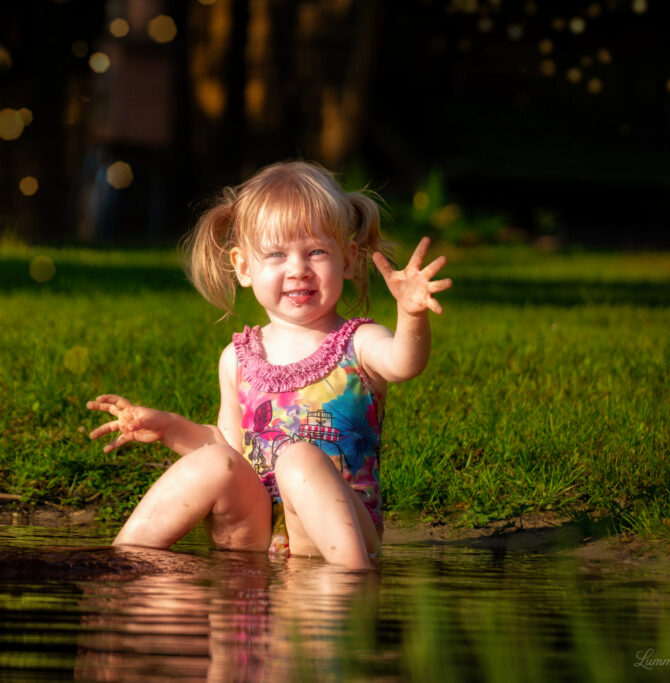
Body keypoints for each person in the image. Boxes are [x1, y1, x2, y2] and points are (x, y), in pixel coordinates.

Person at [87, 161, 451, 569]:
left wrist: (411, 313)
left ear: (347, 259)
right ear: (243, 267)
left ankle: (354, 582)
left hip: (339, 533)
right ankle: (120, 563)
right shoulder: (238, 358)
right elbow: (230, 449)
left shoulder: (359, 342)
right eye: (277, 254)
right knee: (212, 462)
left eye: (316, 251)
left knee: (297, 456)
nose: (298, 269)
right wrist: (168, 426)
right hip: (255, 534)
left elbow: (404, 363)